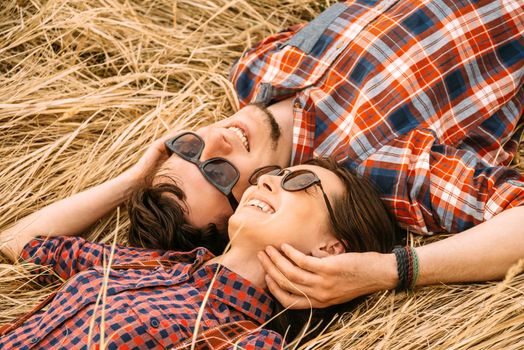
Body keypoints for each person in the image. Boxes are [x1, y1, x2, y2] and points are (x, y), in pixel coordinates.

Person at [130, 0, 524, 308]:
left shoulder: (252, 69)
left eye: (188, 147)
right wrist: (393, 269)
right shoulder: (378, 167)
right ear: (252, 201)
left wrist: (137, 178)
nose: (215, 141)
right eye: (219, 174)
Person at [0, 158, 398, 349]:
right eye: (272, 174)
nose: (270, 181)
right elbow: (17, 243)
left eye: (302, 181)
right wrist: (134, 179)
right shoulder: (152, 263)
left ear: (330, 249)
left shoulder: (248, 343)